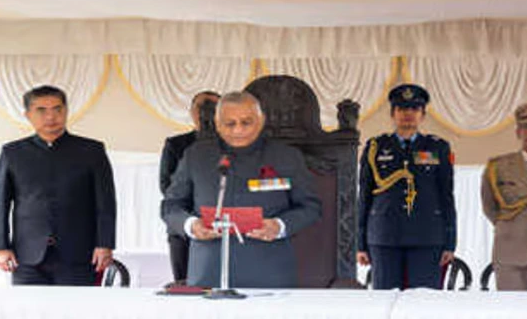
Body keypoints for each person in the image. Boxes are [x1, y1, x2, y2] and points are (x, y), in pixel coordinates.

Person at [161, 91, 321, 288]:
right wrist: (191, 225)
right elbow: (170, 207)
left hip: (270, 272)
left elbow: (310, 207)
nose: (238, 130)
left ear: (261, 121)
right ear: (218, 125)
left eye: (247, 122)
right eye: (230, 123)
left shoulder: (286, 156)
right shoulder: (196, 156)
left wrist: (279, 226)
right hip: (208, 273)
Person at [0, 85, 117, 285]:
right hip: (27, 256)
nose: (51, 117)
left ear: (66, 111)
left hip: (79, 254)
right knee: (28, 315)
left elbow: (106, 203)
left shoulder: (91, 151)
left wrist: (105, 244)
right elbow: (0, 203)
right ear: (28, 114)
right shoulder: (12, 153)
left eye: (58, 109)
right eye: (41, 110)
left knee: (77, 312)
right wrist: (0, 247)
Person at [357, 83, 456, 290]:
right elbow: (364, 196)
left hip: (427, 237)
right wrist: (360, 244)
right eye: (402, 109)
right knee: (385, 302)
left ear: (423, 115)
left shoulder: (437, 146)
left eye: (414, 109)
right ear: (393, 114)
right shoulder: (376, 147)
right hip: (384, 236)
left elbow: (446, 196)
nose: (408, 114)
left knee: (424, 304)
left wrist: (450, 242)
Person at [481, 101, 527, 290]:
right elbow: (491, 208)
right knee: (510, 314)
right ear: (518, 132)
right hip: (510, 255)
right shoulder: (497, 167)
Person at [159, 90, 220, 282]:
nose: (206, 113)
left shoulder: (233, 145)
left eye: (213, 108)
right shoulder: (177, 144)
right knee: (185, 282)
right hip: (183, 224)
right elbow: (167, 184)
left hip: (221, 222)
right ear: (192, 112)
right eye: (201, 108)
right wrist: (192, 219)